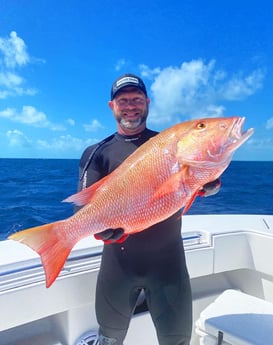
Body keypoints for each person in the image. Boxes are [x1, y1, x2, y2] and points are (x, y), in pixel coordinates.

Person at [77, 73, 220, 345]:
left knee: (177, 340)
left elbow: (198, 182)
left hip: (169, 266)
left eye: (137, 99)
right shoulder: (97, 153)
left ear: (148, 103)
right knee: (108, 339)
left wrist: (210, 183)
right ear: (112, 106)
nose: (130, 106)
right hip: (117, 266)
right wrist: (100, 230)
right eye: (123, 100)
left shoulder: (172, 144)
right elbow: (84, 209)